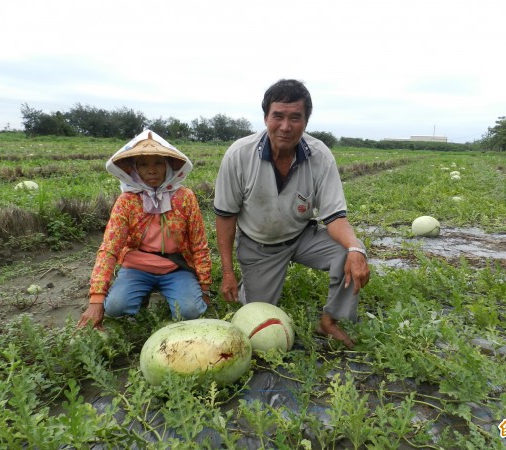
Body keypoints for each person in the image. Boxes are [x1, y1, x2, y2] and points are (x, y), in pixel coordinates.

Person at [214, 79, 370, 349]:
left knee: (350, 250)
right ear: (265, 118)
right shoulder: (239, 155)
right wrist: (227, 271)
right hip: (259, 244)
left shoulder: (320, 156)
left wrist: (356, 248)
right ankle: (249, 285)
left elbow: (335, 217)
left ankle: (329, 322)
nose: (285, 126)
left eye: (295, 118)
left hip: (301, 236)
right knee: (256, 315)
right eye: (278, 116)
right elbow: (226, 216)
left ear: (306, 121)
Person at [77, 130, 212, 330]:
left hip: (175, 267)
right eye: (143, 164)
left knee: (190, 311)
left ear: (168, 165)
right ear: (134, 169)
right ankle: (140, 299)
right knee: (115, 307)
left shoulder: (185, 197)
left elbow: (199, 244)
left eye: (158, 162)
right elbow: (110, 247)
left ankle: (171, 292)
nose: (152, 170)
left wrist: (205, 287)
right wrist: (96, 299)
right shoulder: (127, 201)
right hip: (137, 267)